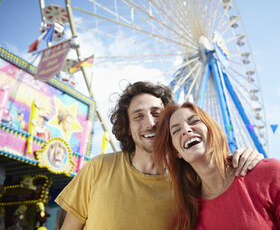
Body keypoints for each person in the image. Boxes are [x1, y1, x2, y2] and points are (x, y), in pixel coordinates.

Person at [55, 81, 264, 229]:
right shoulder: (98, 168)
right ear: (127, 128)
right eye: (138, 116)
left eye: (157, 113)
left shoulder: (187, 184)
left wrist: (248, 159)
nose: (150, 123)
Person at [153, 102, 280, 230]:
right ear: (176, 152)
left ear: (212, 130)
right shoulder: (189, 211)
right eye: (176, 131)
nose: (186, 130)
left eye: (194, 121)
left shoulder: (269, 173)